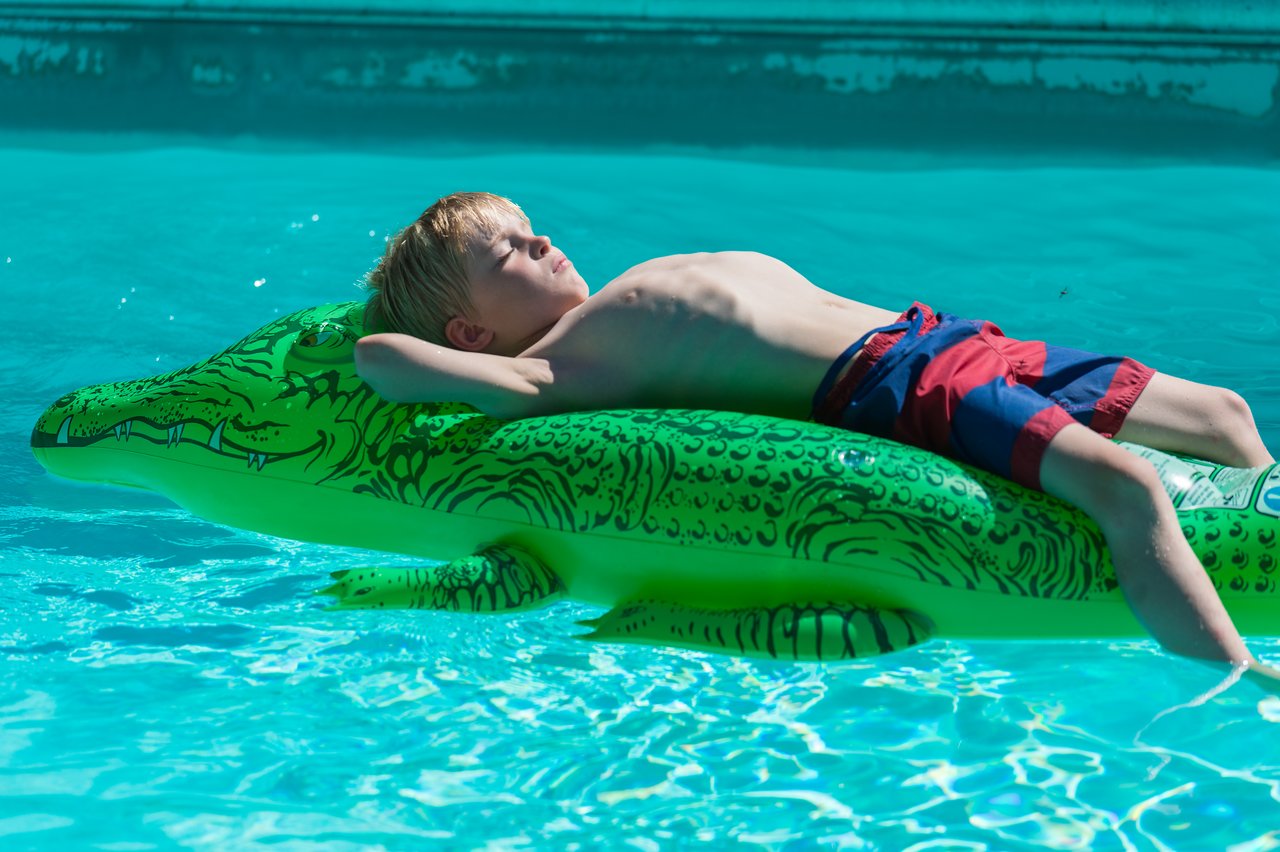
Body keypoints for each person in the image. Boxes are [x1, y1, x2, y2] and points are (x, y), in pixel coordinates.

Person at [356, 191, 1278, 682]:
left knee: (1225, 415)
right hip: (904, 383)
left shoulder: (610, 302)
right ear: (471, 333)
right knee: (1126, 490)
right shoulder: (564, 363)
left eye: (531, 227)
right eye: (509, 253)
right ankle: (1240, 684)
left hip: (949, 336)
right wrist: (363, 340)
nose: (542, 242)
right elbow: (382, 358)